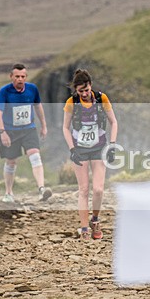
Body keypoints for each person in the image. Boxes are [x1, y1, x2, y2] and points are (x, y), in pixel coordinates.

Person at [62, 69, 118, 240]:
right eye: (81, 91)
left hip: (99, 147)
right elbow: (65, 128)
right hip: (79, 149)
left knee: (98, 189)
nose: (84, 94)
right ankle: (85, 227)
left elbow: (114, 122)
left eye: (86, 90)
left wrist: (112, 145)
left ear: (90, 86)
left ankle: (95, 219)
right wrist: (72, 149)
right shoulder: (71, 103)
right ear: (76, 90)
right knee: (84, 189)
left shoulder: (102, 99)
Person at [0, 63, 52, 203]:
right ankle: (8, 193)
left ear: (26, 77)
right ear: (11, 76)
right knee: (11, 161)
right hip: (10, 131)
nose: (20, 79)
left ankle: (41, 189)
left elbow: (38, 106)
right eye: (17, 76)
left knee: (35, 155)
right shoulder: (4, 92)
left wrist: (43, 125)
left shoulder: (32, 89)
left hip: (28, 129)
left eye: (23, 76)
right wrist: (3, 132)